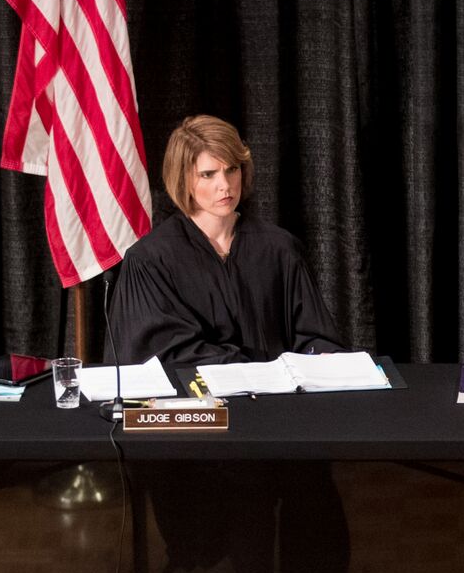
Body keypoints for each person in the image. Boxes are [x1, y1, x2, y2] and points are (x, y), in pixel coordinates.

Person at [110, 115, 347, 387]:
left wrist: (322, 357)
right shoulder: (151, 260)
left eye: (232, 169)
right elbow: (161, 354)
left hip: (276, 409)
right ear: (183, 179)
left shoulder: (279, 249)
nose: (225, 185)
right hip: (195, 413)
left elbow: (314, 336)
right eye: (208, 174)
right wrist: (249, 367)